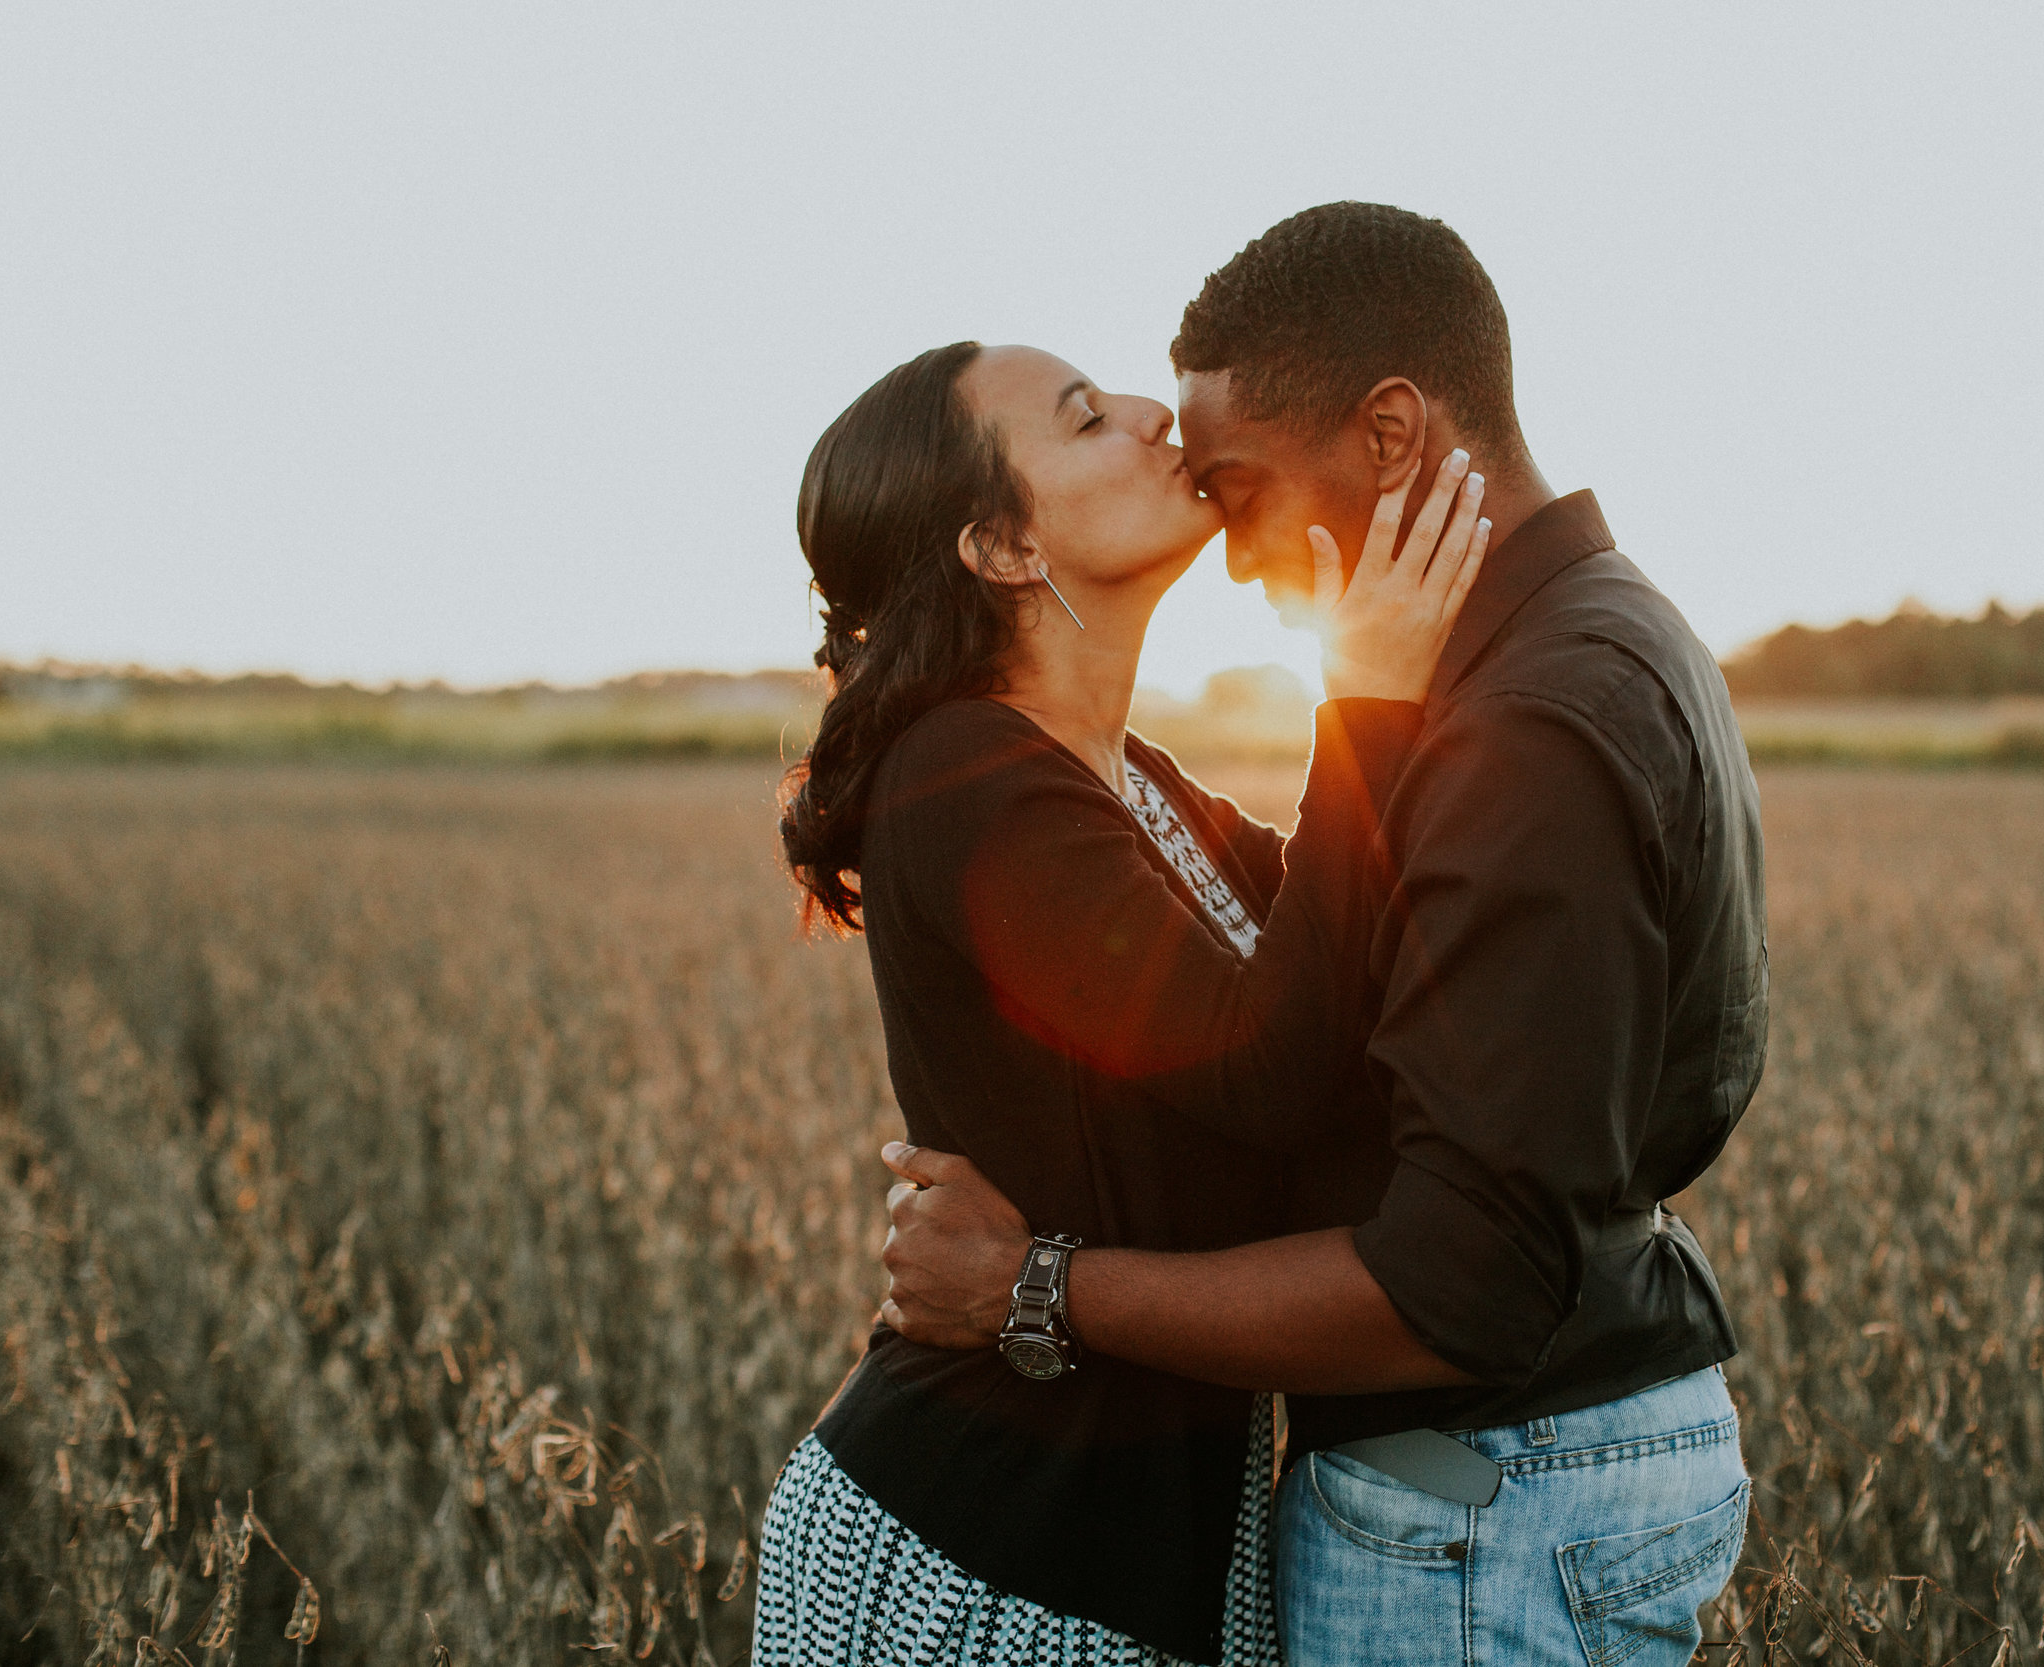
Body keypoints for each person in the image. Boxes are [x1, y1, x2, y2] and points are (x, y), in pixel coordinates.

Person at [879, 202, 1769, 1666]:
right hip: (1523, 1469)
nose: (1233, 556)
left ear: (1393, 435)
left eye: (1238, 488)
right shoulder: (1595, 637)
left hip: (1487, 1499)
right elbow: (1320, 972)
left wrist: (1036, 1285)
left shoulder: (1522, 727)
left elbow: (1456, 1279)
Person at [756, 334, 1493, 1665]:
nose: (1157, 414)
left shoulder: (1128, 778)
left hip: (1142, 1552)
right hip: (981, 1556)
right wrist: (1366, 700)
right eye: (1088, 418)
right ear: (999, 546)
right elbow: (1274, 1064)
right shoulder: (964, 777)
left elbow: (1357, 964)